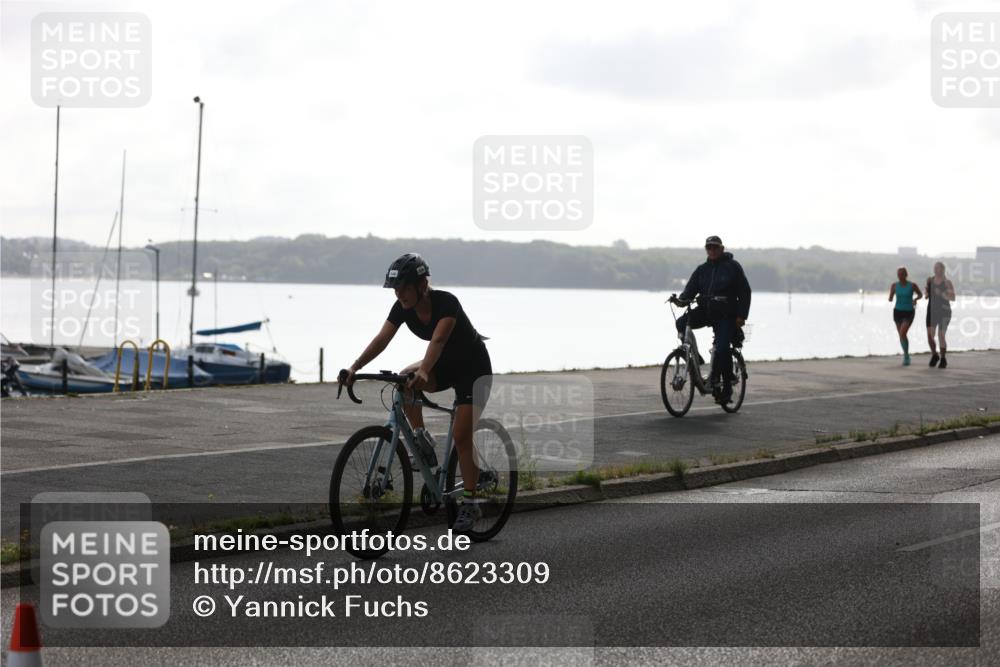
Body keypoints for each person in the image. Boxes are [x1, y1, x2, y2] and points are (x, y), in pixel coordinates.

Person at [341, 253, 492, 532]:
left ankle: (471, 505)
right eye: (395, 289)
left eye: (404, 288)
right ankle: (423, 441)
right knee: (404, 381)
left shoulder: (447, 302)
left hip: (473, 370)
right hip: (444, 365)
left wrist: (424, 370)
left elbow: (439, 339)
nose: (399, 294)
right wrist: (354, 367)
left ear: (422, 284)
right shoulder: (401, 307)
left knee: (461, 435)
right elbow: (381, 339)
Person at [672, 236, 751, 405]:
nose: (712, 250)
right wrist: (681, 300)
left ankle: (727, 387)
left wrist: (741, 316)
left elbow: (745, 292)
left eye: (715, 247)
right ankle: (696, 358)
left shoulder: (732, 267)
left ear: (722, 248)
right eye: (709, 248)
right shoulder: (702, 270)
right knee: (681, 323)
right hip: (706, 311)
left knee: (722, 348)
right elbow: (689, 291)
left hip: (725, 314)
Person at [888, 266, 922, 366]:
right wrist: (890, 297)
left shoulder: (912, 285)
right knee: (902, 335)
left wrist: (915, 299)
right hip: (898, 312)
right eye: (898, 274)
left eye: (902, 274)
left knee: (903, 333)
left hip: (909, 312)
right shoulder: (894, 285)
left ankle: (906, 356)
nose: (900, 276)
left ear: (906, 275)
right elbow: (890, 297)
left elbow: (920, 294)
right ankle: (906, 355)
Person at [925, 261, 955, 369]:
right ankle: (934, 355)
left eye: (938, 268)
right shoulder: (930, 280)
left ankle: (943, 358)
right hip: (932, 311)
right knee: (930, 336)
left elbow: (953, 298)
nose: (936, 269)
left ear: (942, 270)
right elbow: (927, 293)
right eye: (934, 267)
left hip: (944, 312)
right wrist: (927, 293)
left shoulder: (947, 282)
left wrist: (942, 294)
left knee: (941, 335)